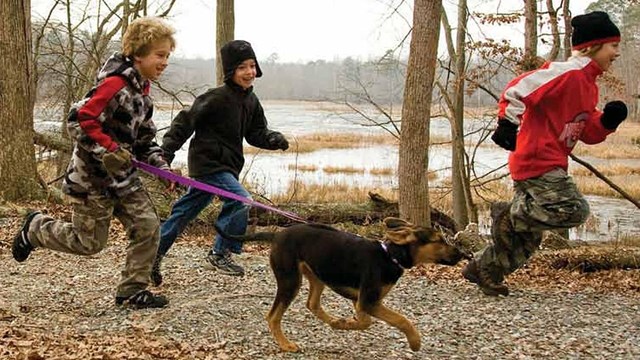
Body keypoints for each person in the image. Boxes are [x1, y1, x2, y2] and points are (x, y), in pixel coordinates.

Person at [12, 17, 177, 309]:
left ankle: (131, 290)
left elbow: (144, 142)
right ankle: (35, 228)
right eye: (160, 55)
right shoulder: (114, 86)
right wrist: (109, 149)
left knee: (149, 226)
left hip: (125, 181)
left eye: (167, 56)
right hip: (92, 181)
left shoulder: (143, 95)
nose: (165, 61)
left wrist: (161, 167)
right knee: (88, 243)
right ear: (139, 54)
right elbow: (79, 120)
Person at [461, 11, 628, 296]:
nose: (617, 53)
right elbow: (517, 89)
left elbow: (584, 131)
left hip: (547, 163)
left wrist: (607, 122)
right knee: (574, 209)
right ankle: (509, 215)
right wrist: (507, 123)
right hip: (538, 159)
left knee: (526, 239)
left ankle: (484, 269)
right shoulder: (569, 73)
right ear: (594, 45)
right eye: (613, 46)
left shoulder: (587, 85)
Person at [152, 40, 289, 284]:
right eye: (242, 68)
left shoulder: (251, 100)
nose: (249, 72)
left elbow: (256, 133)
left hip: (228, 167)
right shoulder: (215, 98)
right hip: (209, 164)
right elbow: (184, 123)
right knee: (241, 201)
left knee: (184, 212)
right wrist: (165, 154)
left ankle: (152, 255)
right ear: (230, 72)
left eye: (252, 66)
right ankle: (220, 252)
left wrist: (272, 139)